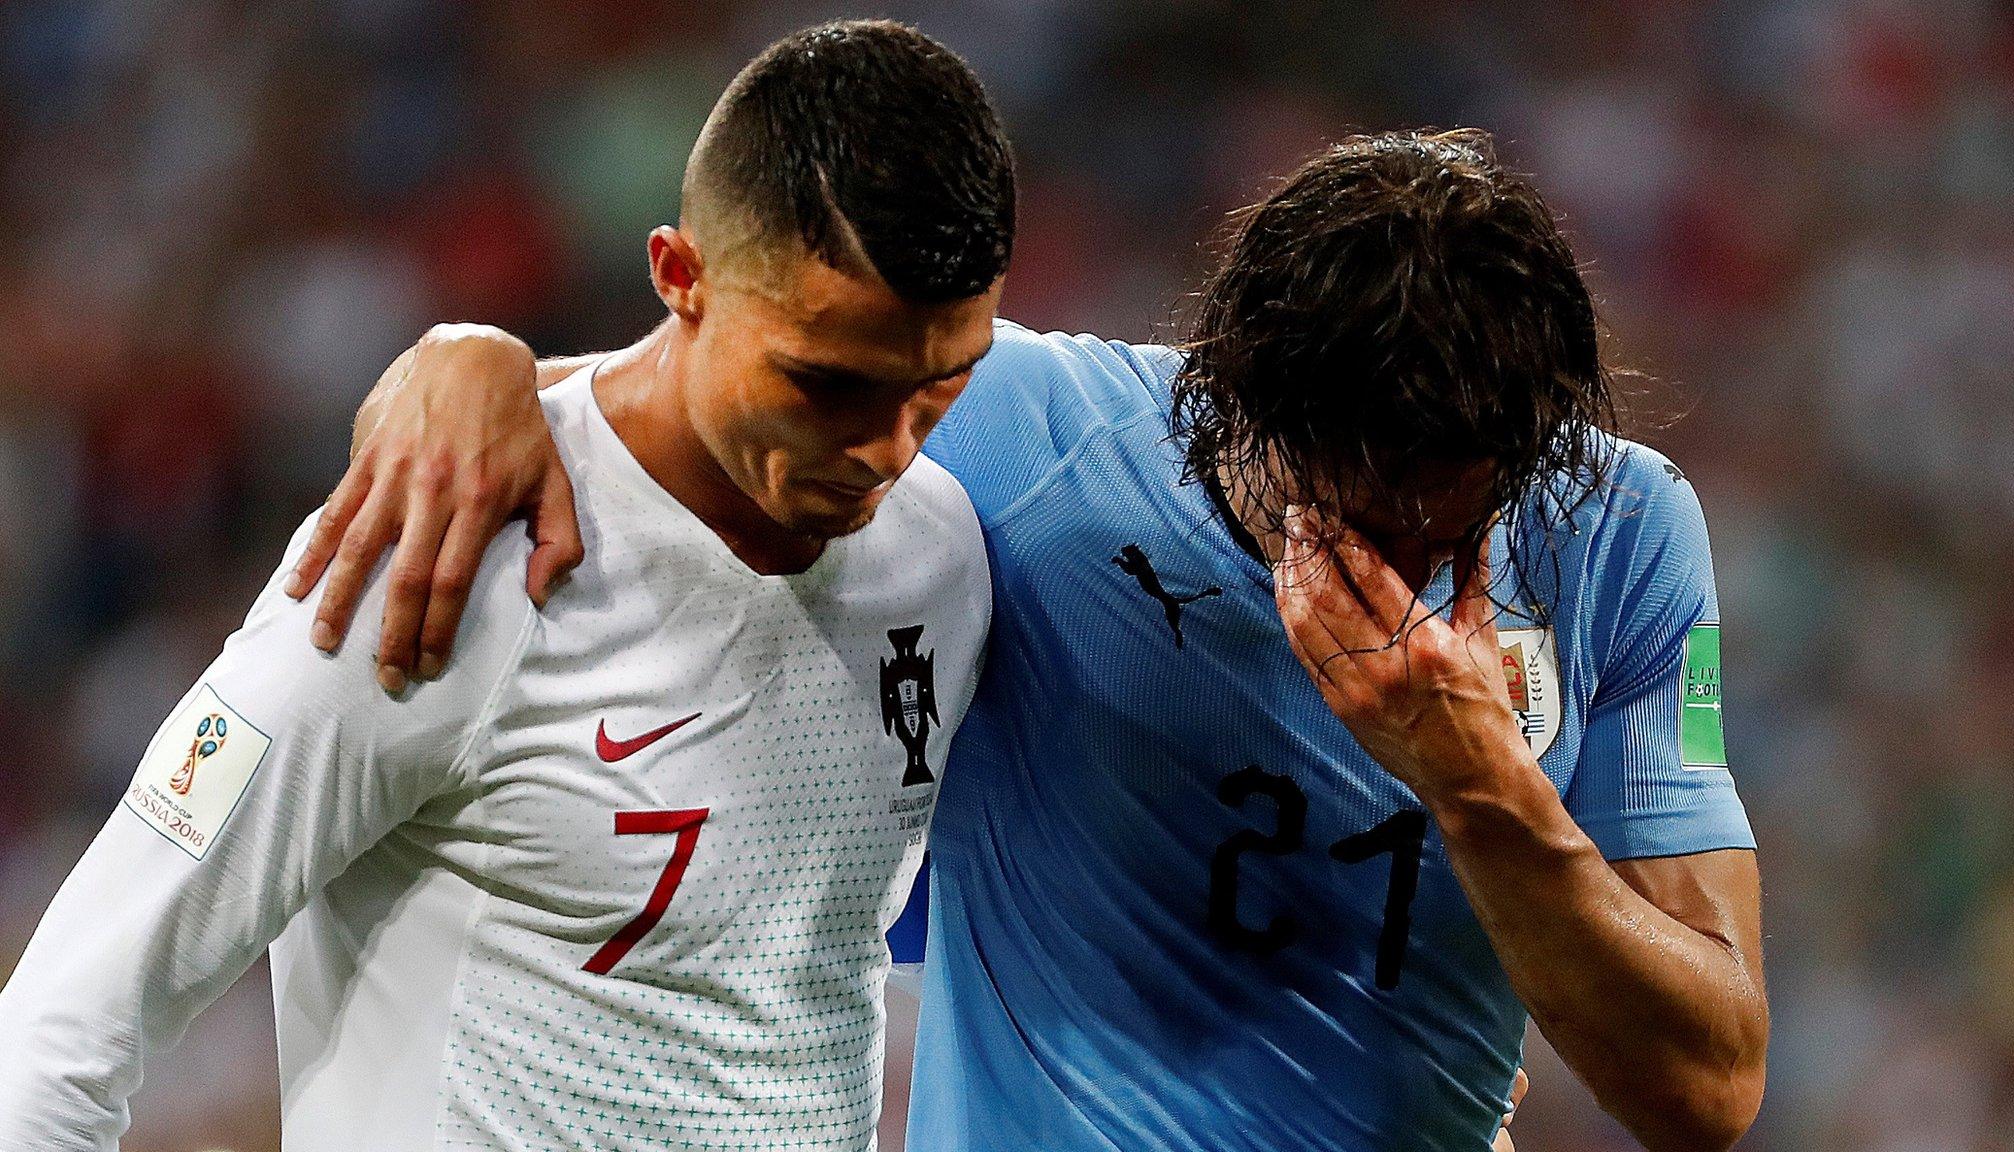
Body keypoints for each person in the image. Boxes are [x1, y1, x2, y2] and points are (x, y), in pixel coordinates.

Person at [299, 131, 1769, 1151]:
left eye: (1455, 530)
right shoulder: (1026, 437)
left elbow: (1708, 1086)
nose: (1399, 573)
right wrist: (461, 363)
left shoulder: (1626, 539)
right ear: (1233, 413)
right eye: (1354, 520)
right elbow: (591, 424)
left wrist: (1485, 791)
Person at [0, 20, 1010, 1151]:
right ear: (679, 277)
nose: (885, 448)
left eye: (936, 389)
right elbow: (62, 1027)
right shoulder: (436, 558)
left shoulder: (943, 555)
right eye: (824, 385)